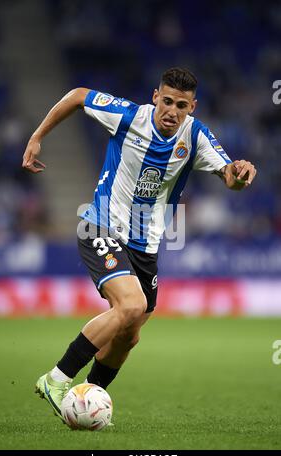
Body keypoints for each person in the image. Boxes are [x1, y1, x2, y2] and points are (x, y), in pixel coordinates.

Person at [22, 67, 257, 420]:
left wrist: (239, 174)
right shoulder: (129, 116)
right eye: (166, 101)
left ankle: (89, 398)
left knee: (129, 335)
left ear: (192, 107)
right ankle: (55, 380)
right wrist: (37, 136)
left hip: (145, 248)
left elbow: (230, 179)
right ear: (154, 97)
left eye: (181, 105)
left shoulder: (195, 137)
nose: (171, 111)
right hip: (101, 227)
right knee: (131, 306)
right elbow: (78, 95)